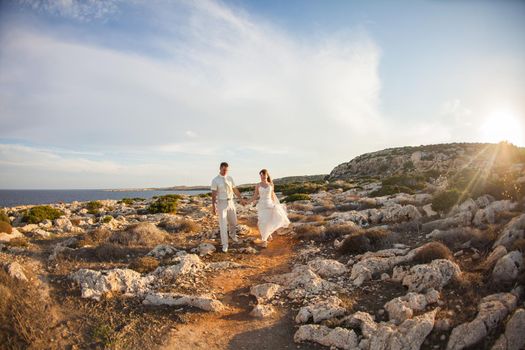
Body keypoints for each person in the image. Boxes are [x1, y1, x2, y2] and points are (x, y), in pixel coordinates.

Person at [250, 169, 290, 247]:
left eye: (263, 175)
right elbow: (255, 196)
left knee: (268, 221)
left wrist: (275, 204)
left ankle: (264, 239)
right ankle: (266, 236)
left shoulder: (271, 184)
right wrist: (248, 201)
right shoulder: (258, 185)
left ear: (267, 175)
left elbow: (272, 196)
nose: (262, 177)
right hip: (262, 205)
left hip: (269, 205)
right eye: (261, 175)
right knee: (262, 222)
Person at [211, 162, 245, 252]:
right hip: (222, 203)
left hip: (231, 202)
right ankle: (225, 244)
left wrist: (241, 199)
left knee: (234, 222)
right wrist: (214, 207)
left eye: (227, 170)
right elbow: (214, 195)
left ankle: (232, 235)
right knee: (223, 225)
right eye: (224, 169)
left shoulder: (230, 178)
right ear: (220, 168)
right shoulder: (215, 180)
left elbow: (235, 190)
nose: (225, 171)